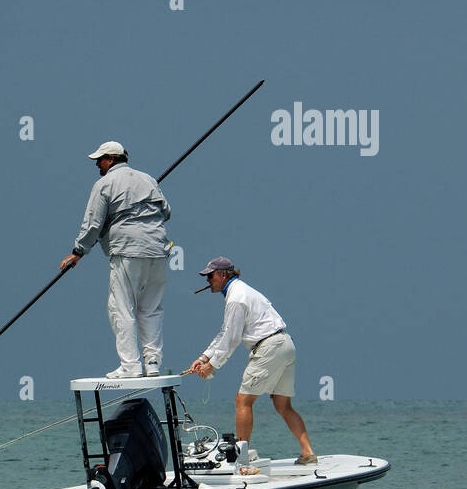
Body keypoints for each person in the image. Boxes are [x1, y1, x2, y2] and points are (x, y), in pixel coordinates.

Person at [186, 257, 317, 464]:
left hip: (268, 347)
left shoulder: (236, 298)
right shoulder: (240, 292)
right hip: (285, 344)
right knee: (283, 405)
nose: (208, 281)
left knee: (243, 401)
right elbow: (226, 332)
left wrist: (212, 365)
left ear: (222, 275)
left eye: (210, 276)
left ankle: (241, 458)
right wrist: (203, 357)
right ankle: (308, 452)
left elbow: (232, 338)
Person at [59, 141, 171, 378]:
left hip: (127, 250)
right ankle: (152, 364)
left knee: (122, 307)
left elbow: (93, 223)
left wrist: (78, 251)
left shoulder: (104, 183)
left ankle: (130, 366)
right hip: (158, 250)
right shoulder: (149, 179)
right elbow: (166, 212)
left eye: (99, 159)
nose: (97, 164)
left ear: (111, 159)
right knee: (151, 308)